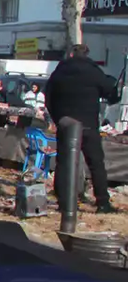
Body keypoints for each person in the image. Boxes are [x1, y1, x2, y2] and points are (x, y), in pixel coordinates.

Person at [44, 44, 120, 213]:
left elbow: (48, 97)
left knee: (63, 164)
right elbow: (110, 91)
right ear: (87, 55)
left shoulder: (59, 72)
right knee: (96, 164)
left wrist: (58, 120)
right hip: (88, 125)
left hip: (66, 124)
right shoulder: (93, 71)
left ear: (71, 54)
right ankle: (102, 203)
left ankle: (64, 204)